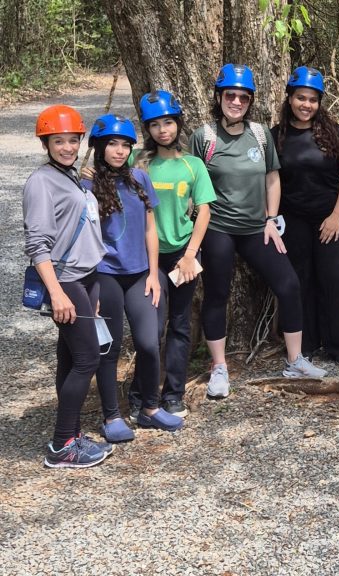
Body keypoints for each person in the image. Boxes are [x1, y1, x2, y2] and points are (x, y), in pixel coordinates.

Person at [191, 63, 327, 399]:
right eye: (230, 95)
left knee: (288, 282)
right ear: (219, 97)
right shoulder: (204, 137)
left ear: (250, 100)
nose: (236, 101)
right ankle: (219, 367)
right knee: (217, 293)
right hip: (218, 228)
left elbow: (272, 178)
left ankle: (295, 359)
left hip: (256, 228)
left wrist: (270, 219)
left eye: (243, 96)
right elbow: (190, 180)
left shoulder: (260, 135)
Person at [84, 114, 184, 441]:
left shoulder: (140, 178)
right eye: (111, 143)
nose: (119, 150)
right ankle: (112, 416)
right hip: (105, 275)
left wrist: (155, 273)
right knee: (109, 347)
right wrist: (89, 288)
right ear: (98, 147)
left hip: (142, 273)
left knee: (148, 342)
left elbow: (150, 229)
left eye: (125, 144)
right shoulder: (85, 184)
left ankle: (150, 409)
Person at [24, 105, 113, 468]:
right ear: (46, 143)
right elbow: (37, 245)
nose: (66, 147)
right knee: (88, 358)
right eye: (58, 141)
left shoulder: (71, 175)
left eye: (72, 140)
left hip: (85, 277)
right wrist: (58, 293)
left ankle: (72, 433)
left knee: (71, 356)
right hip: (65, 280)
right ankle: (62, 446)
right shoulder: (41, 182)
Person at [127, 90, 215, 420]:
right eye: (154, 125)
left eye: (168, 122)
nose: (163, 130)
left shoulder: (192, 165)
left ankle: (173, 395)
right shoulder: (138, 162)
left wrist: (191, 254)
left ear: (178, 124)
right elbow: (109, 179)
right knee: (152, 329)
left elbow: (204, 211)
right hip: (147, 259)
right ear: (147, 130)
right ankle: (140, 395)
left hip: (182, 255)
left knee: (179, 324)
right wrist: (90, 175)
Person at [272, 66, 339, 364]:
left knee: (332, 278)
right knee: (300, 279)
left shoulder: (332, 132)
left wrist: (336, 215)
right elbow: (270, 179)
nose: (306, 105)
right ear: (290, 98)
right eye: (300, 98)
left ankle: (337, 344)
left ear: (319, 102)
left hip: (329, 218)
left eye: (312, 99)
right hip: (293, 219)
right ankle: (305, 343)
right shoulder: (276, 136)